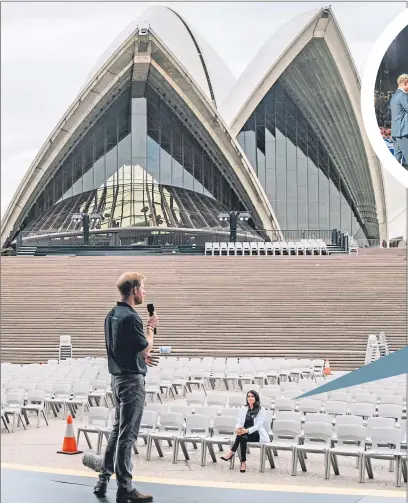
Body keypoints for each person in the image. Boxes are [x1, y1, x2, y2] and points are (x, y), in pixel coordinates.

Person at [93, 272, 159, 503]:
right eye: (143, 288)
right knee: (127, 436)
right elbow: (145, 347)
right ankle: (125, 487)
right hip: (131, 382)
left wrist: (139, 357)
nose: (144, 292)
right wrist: (151, 328)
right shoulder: (132, 318)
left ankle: (103, 480)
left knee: (116, 431)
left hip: (117, 379)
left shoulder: (111, 315)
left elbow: (121, 348)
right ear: (134, 291)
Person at [220, 390, 269, 472]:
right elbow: (239, 421)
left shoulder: (261, 410)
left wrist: (246, 430)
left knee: (242, 435)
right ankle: (243, 462)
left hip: (256, 434)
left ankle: (232, 453)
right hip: (244, 433)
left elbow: (258, 426)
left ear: (256, 398)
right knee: (242, 437)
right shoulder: (243, 408)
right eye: (248, 396)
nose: (250, 398)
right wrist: (237, 429)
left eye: (252, 396)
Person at [390, 74, 408, 169]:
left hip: (396, 131)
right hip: (403, 132)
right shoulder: (402, 95)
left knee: (397, 157)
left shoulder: (394, 96)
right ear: (406, 83)